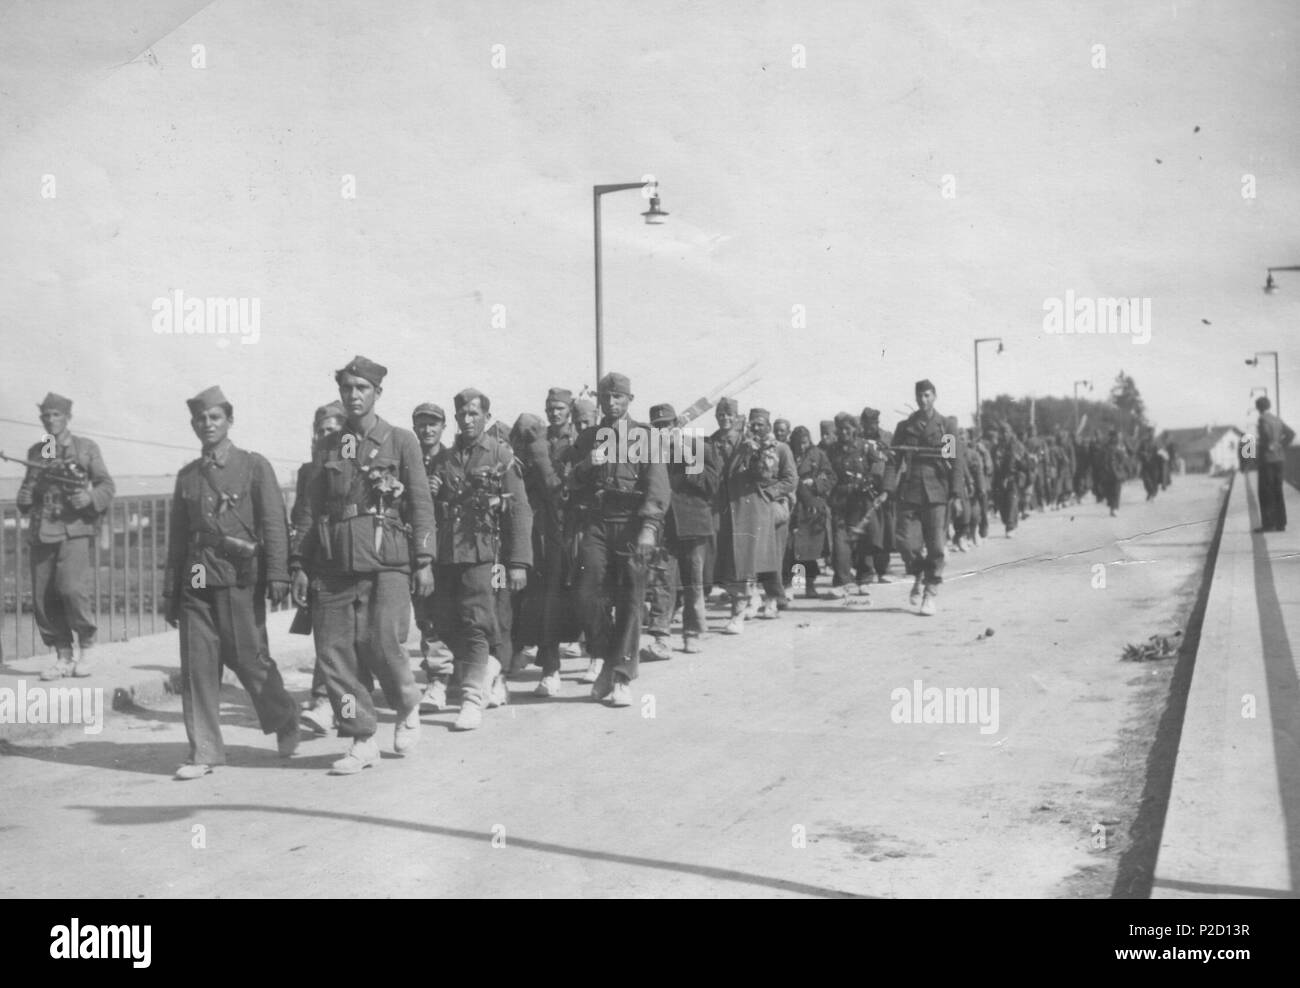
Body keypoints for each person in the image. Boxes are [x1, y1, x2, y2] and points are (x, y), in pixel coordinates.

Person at [290, 356, 436, 775]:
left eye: (362, 388)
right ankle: (362, 737)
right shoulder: (329, 446)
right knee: (334, 654)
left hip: (386, 560)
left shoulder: (400, 440)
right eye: (347, 388)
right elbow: (308, 508)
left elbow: (420, 503)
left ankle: (407, 705)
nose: (353, 395)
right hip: (334, 562)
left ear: (377, 393)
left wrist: (424, 560)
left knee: (383, 645)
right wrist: (300, 563)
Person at [163, 386, 298, 780]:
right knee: (198, 667)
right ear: (193, 425)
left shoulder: (253, 466)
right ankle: (204, 751)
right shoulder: (188, 476)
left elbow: (274, 522)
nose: (208, 424)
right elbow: (177, 539)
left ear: (229, 421)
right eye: (201, 419)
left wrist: (277, 573)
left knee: (249, 660)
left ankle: (286, 718)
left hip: (239, 578)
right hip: (197, 578)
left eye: (215, 417)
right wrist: (171, 592)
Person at [427, 390, 531, 729]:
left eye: (474, 413)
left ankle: (472, 696)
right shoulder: (445, 459)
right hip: (447, 555)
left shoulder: (500, 455)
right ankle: (491, 670)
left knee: (478, 621)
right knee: (444, 621)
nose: (467, 419)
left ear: (486, 416)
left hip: (487, 555)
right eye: (462, 414)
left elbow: (518, 511)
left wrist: (518, 562)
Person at [564, 372, 670, 706]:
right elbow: (568, 480)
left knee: (630, 600)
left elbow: (657, 485)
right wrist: (585, 465)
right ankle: (608, 660)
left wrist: (649, 528)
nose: (611, 403)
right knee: (586, 593)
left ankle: (621, 676)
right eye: (606, 398)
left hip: (631, 522)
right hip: (596, 520)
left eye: (618, 397)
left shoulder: (644, 436)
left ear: (629, 400)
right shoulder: (590, 436)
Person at [15, 392, 115, 680]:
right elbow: (28, 492)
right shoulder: (38, 451)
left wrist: (89, 497)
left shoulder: (85, 448)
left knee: (71, 589)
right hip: (42, 529)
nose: (51, 420)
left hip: (73, 530)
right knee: (43, 596)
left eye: (56, 415)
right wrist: (24, 497)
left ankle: (87, 645)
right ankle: (62, 655)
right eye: (46, 415)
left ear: (67, 417)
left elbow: (106, 485)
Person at [293, 401, 352, 735]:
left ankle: (339, 704)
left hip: (350, 559)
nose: (326, 436)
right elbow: (302, 516)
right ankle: (323, 701)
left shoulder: (352, 465)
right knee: (326, 635)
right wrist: (298, 564)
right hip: (320, 560)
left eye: (333, 430)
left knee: (352, 641)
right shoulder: (308, 471)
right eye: (321, 431)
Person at [644, 403, 719, 654]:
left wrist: (689, 460)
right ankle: (661, 637)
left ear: (677, 424)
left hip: (694, 524)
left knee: (693, 582)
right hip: (664, 525)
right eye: (658, 427)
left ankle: (692, 632)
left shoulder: (698, 447)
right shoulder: (649, 452)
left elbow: (711, 486)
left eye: (667, 425)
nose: (663, 430)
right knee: (662, 581)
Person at [715, 408, 796, 631]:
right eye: (753, 424)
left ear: (768, 426)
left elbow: (790, 480)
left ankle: (772, 598)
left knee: (768, 559)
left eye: (761, 424)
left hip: (770, 509)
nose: (756, 428)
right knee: (745, 560)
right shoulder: (743, 446)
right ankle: (751, 599)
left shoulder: (779, 448)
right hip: (742, 510)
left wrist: (769, 495)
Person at [888, 380, 955, 616]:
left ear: (934, 396)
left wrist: (956, 493)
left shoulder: (946, 425)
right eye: (919, 396)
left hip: (937, 491)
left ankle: (930, 592)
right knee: (905, 543)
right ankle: (918, 574)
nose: (923, 400)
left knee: (936, 545)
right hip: (911, 490)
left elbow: (955, 461)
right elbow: (893, 461)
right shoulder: (905, 427)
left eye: (927, 395)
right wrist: (888, 488)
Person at [531, 388, 582, 696]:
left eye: (560, 407)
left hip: (578, 526)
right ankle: (550, 669)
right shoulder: (538, 442)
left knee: (586, 595)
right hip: (546, 529)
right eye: (550, 408)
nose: (554, 413)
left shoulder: (583, 440)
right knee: (548, 599)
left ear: (570, 409)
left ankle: (598, 659)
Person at [410, 402, 454, 713]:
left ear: (443, 427)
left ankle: (452, 676)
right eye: (422, 424)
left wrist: (447, 490)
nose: (427, 429)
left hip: (451, 548)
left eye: (433, 424)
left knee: (454, 614)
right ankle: (438, 679)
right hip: (419, 549)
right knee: (427, 616)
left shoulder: (452, 459)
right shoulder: (406, 460)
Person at [826, 412, 877, 597]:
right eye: (840, 429)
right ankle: (842, 581)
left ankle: (865, 579)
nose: (844, 432)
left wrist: (871, 482)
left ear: (855, 429)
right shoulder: (831, 450)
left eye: (847, 429)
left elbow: (880, 465)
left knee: (863, 540)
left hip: (862, 500)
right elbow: (825, 471)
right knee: (840, 542)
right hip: (840, 500)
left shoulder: (865, 447)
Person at [786, 425, 835, 598]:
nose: (801, 447)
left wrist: (815, 483)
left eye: (804, 443)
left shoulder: (818, 454)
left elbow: (831, 477)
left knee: (810, 550)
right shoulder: (787, 453)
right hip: (792, 506)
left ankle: (810, 585)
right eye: (798, 443)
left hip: (811, 508)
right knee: (790, 549)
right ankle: (790, 586)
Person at [1254, 396, 1295, 532]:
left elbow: (1265, 435)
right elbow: (1291, 434)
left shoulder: (1262, 420)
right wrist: (1280, 445)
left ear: (1259, 408)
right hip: (1280, 460)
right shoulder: (1277, 419)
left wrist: (1268, 445)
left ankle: (1268, 524)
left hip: (1267, 460)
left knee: (1266, 492)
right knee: (1278, 491)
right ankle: (1281, 523)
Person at [1098, 429, 1127, 517]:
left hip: (1116, 472)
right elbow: (1101, 458)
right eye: (1115, 437)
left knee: (1116, 490)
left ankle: (1113, 508)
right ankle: (1112, 507)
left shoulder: (1119, 446)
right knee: (1110, 491)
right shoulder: (1107, 446)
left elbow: (1123, 459)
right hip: (1108, 472)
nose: (1117, 438)